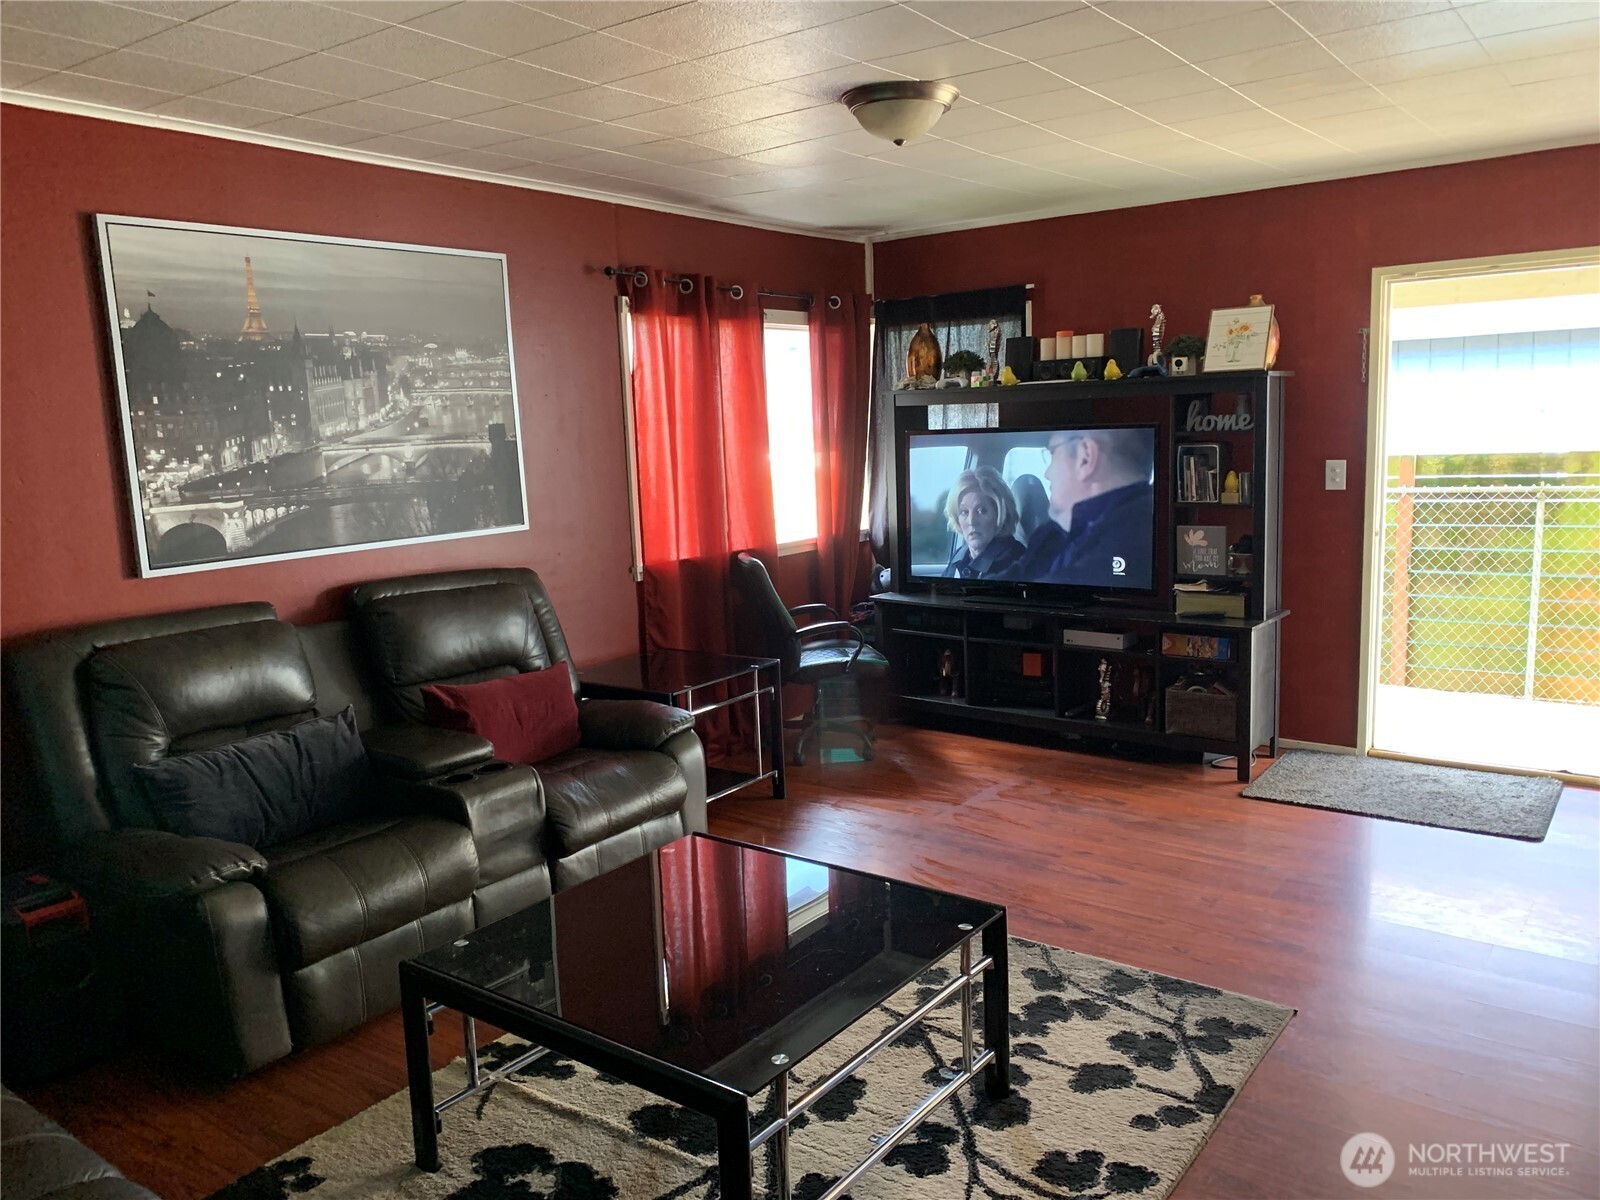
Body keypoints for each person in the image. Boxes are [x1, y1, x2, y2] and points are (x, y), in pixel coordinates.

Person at [1006, 429, 1154, 588]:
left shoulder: (1136, 538)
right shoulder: (1049, 534)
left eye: (1052, 453)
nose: (1047, 473)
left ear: (1085, 457)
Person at [941, 466, 1026, 580]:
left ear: (1001, 513)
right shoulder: (961, 555)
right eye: (964, 512)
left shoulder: (1014, 562)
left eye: (981, 511)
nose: (971, 521)